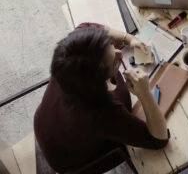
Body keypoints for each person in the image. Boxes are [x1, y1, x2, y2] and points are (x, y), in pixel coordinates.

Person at [34, 24, 169, 173]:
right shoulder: (101, 113)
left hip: (48, 123)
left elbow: (87, 27)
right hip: (72, 162)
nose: (120, 53)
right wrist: (145, 94)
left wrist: (130, 39)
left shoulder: (70, 59)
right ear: (97, 81)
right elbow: (158, 139)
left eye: (111, 46)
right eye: (115, 61)